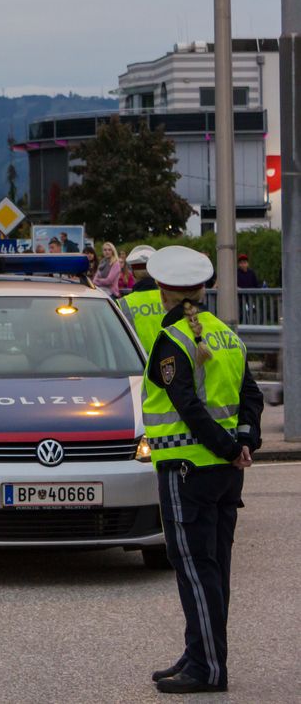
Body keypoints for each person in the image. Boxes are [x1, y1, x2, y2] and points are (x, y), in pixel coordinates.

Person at [142, 245, 263, 694]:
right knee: (214, 568)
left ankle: (208, 667)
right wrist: (245, 441)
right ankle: (200, 652)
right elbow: (252, 398)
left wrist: (229, 446)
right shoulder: (226, 335)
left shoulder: (171, 340)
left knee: (194, 567)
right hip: (226, 473)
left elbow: (188, 407)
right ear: (203, 289)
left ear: (162, 291)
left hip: (187, 470)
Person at [118, 245, 165, 353]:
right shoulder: (170, 299)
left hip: (137, 365)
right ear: (155, 272)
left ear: (133, 273)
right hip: (169, 364)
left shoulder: (122, 304)